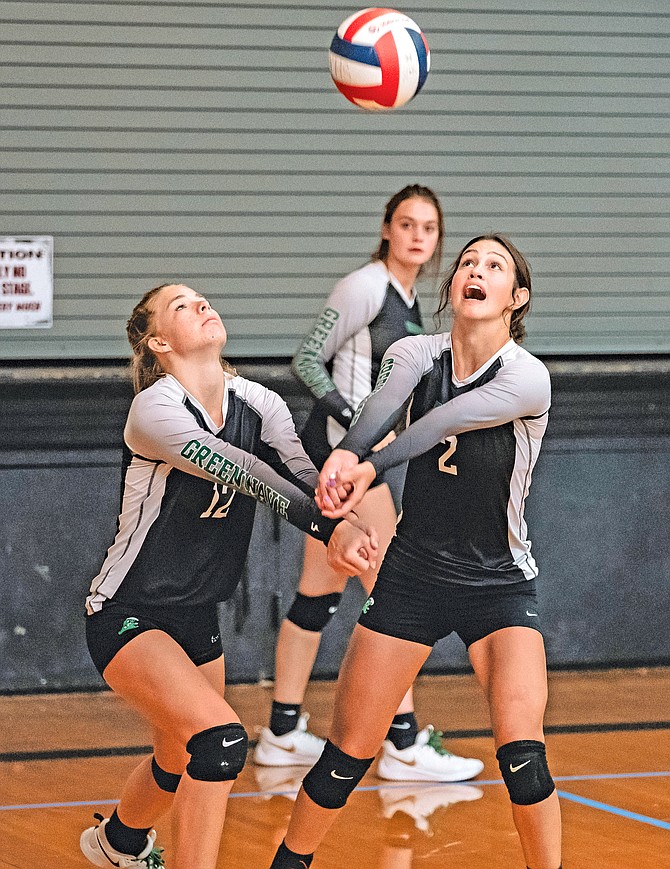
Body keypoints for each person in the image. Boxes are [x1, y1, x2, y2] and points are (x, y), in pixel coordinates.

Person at [269, 235, 562, 869]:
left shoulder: (525, 376)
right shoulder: (413, 352)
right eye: (467, 264)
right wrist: (347, 453)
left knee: (523, 756)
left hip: (498, 581)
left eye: (494, 267)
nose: (475, 272)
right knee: (347, 754)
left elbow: (437, 425)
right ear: (452, 288)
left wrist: (367, 468)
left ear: (518, 298)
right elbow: (380, 410)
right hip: (413, 576)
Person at [79, 283, 377, 869]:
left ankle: (116, 844)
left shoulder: (259, 403)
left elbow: (300, 475)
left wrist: (344, 507)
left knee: (180, 754)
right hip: (126, 611)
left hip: (196, 613)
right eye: (182, 306)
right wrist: (329, 531)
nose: (203, 305)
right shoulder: (156, 409)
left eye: (202, 298)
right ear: (159, 341)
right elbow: (247, 472)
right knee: (219, 742)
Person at [253, 185, 483, 783]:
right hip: (341, 460)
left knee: (317, 591)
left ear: (436, 240)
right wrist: (348, 420)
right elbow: (307, 357)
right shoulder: (364, 286)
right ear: (387, 228)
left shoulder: (409, 301)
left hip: (361, 462)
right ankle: (403, 744)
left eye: (428, 228)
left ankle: (281, 731)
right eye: (405, 223)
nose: (416, 235)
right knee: (394, 594)